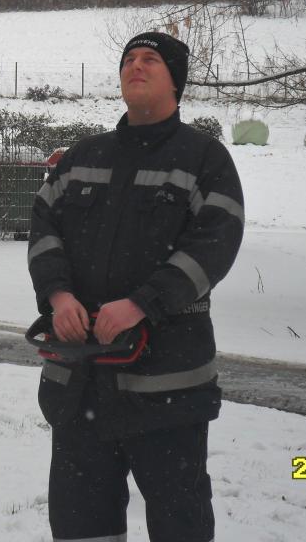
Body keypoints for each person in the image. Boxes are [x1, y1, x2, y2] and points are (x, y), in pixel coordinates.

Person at [28, 32, 244, 542]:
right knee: (80, 528)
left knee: (180, 525)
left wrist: (143, 303)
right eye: (129, 59)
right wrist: (58, 295)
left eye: (151, 59)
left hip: (168, 390)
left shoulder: (204, 159)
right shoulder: (82, 157)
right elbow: (43, 228)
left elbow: (215, 244)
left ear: (176, 82)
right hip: (80, 383)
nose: (136, 66)